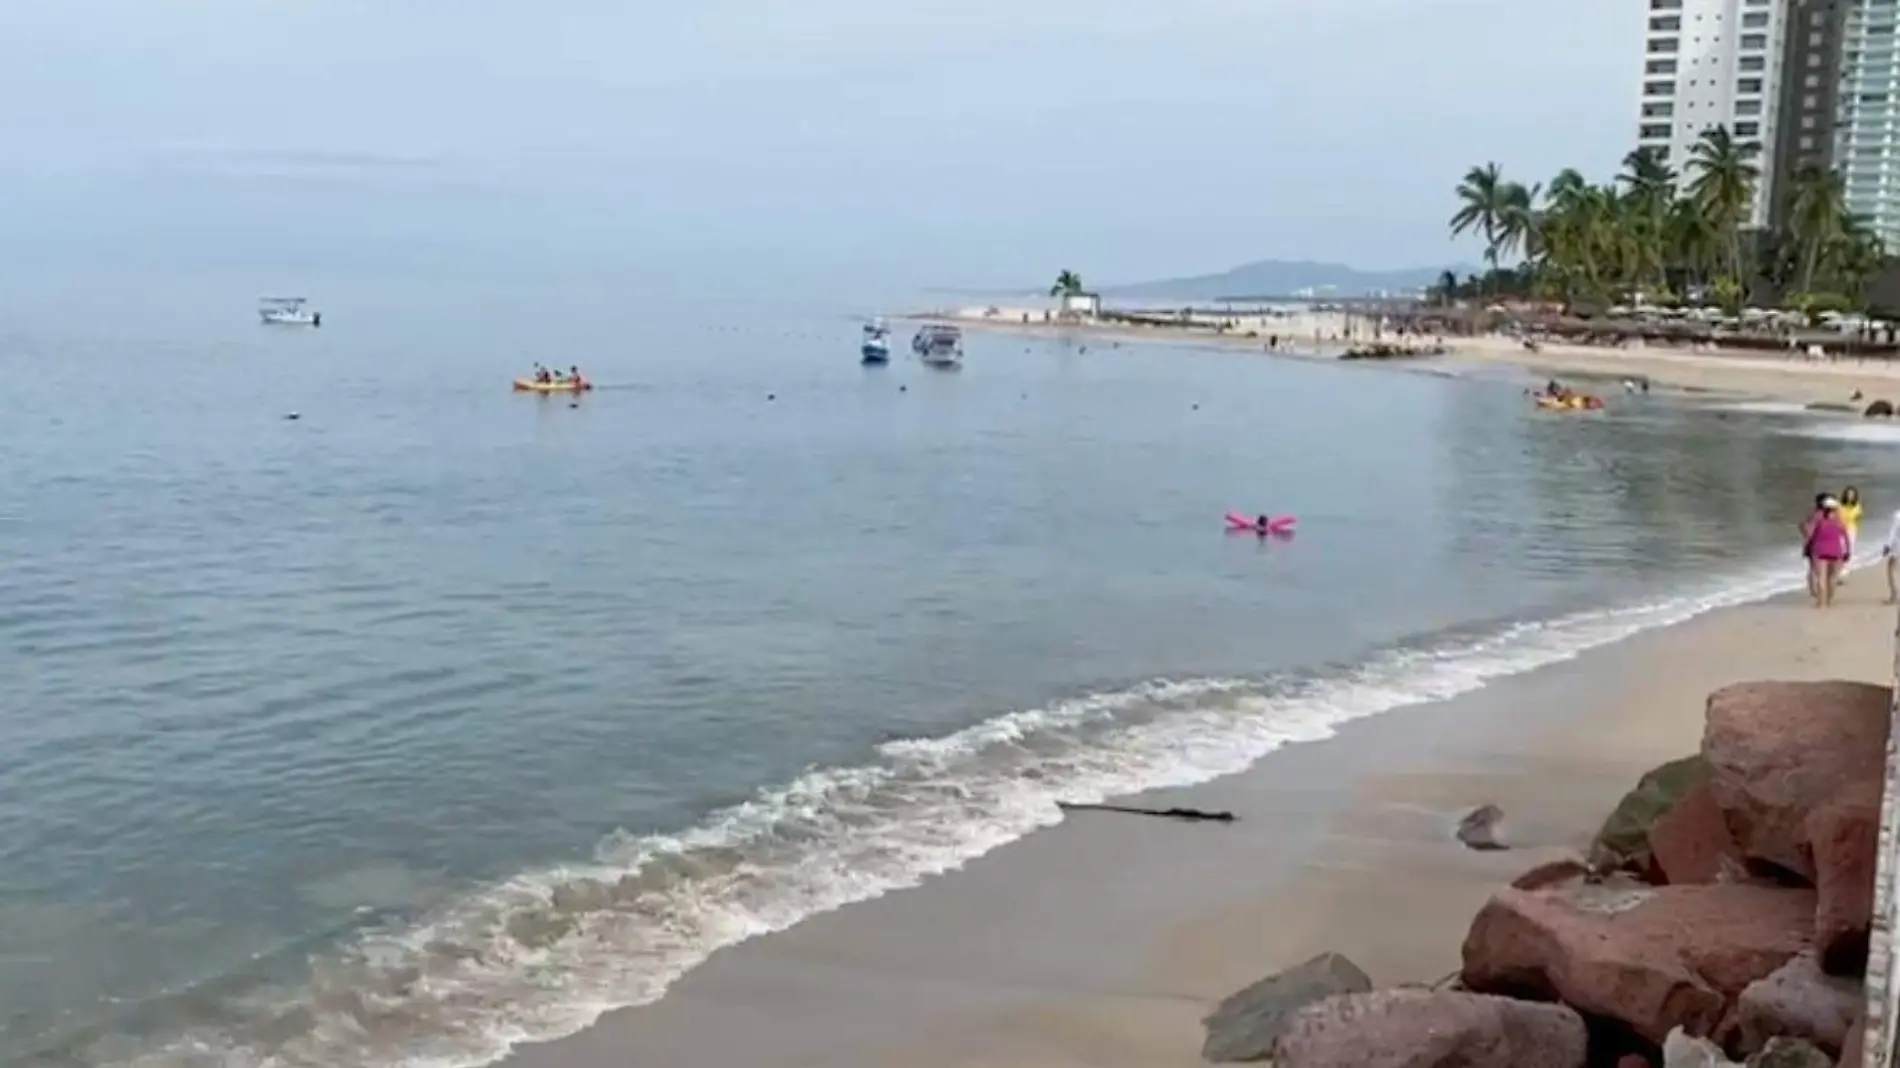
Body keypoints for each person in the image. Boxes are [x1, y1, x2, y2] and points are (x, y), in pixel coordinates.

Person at [1807, 497, 1852, 608]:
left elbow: (1809, 534)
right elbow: (1846, 537)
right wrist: (1848, 551)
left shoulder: (1818, 517)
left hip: (1819, 550)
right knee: (1832, 578)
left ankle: (1821, 603)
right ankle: (1829, 600)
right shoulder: (1840, 520)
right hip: (1836, 552)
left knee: (1821, 578)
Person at [1880, 506, 1900, 605]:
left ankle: (1894, 595)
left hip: (1897, 546)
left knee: (1891, 570)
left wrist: (1887, 546)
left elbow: (1893, 532)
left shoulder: (1898, 515)